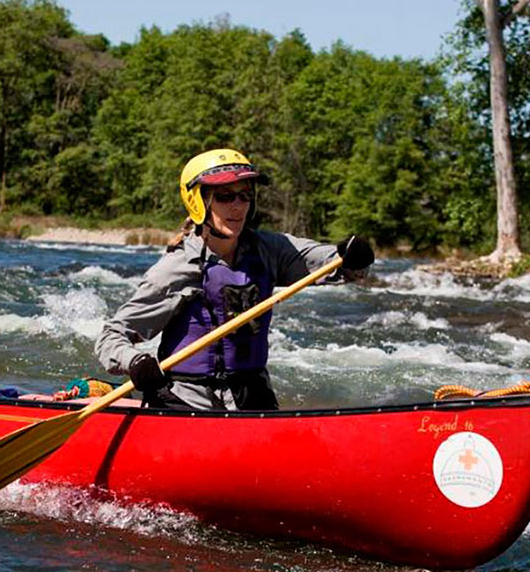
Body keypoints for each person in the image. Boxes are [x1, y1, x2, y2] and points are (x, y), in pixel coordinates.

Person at [95, 148, 374, 410]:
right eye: (225, 196)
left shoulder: (270, 250)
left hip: (253, 394)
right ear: (199, 202)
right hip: (186, 401)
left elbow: (335, 263)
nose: (237, 206)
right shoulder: (176, 269)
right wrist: (136, 361)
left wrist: (353, 257)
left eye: (244, 196)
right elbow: (111, 337)